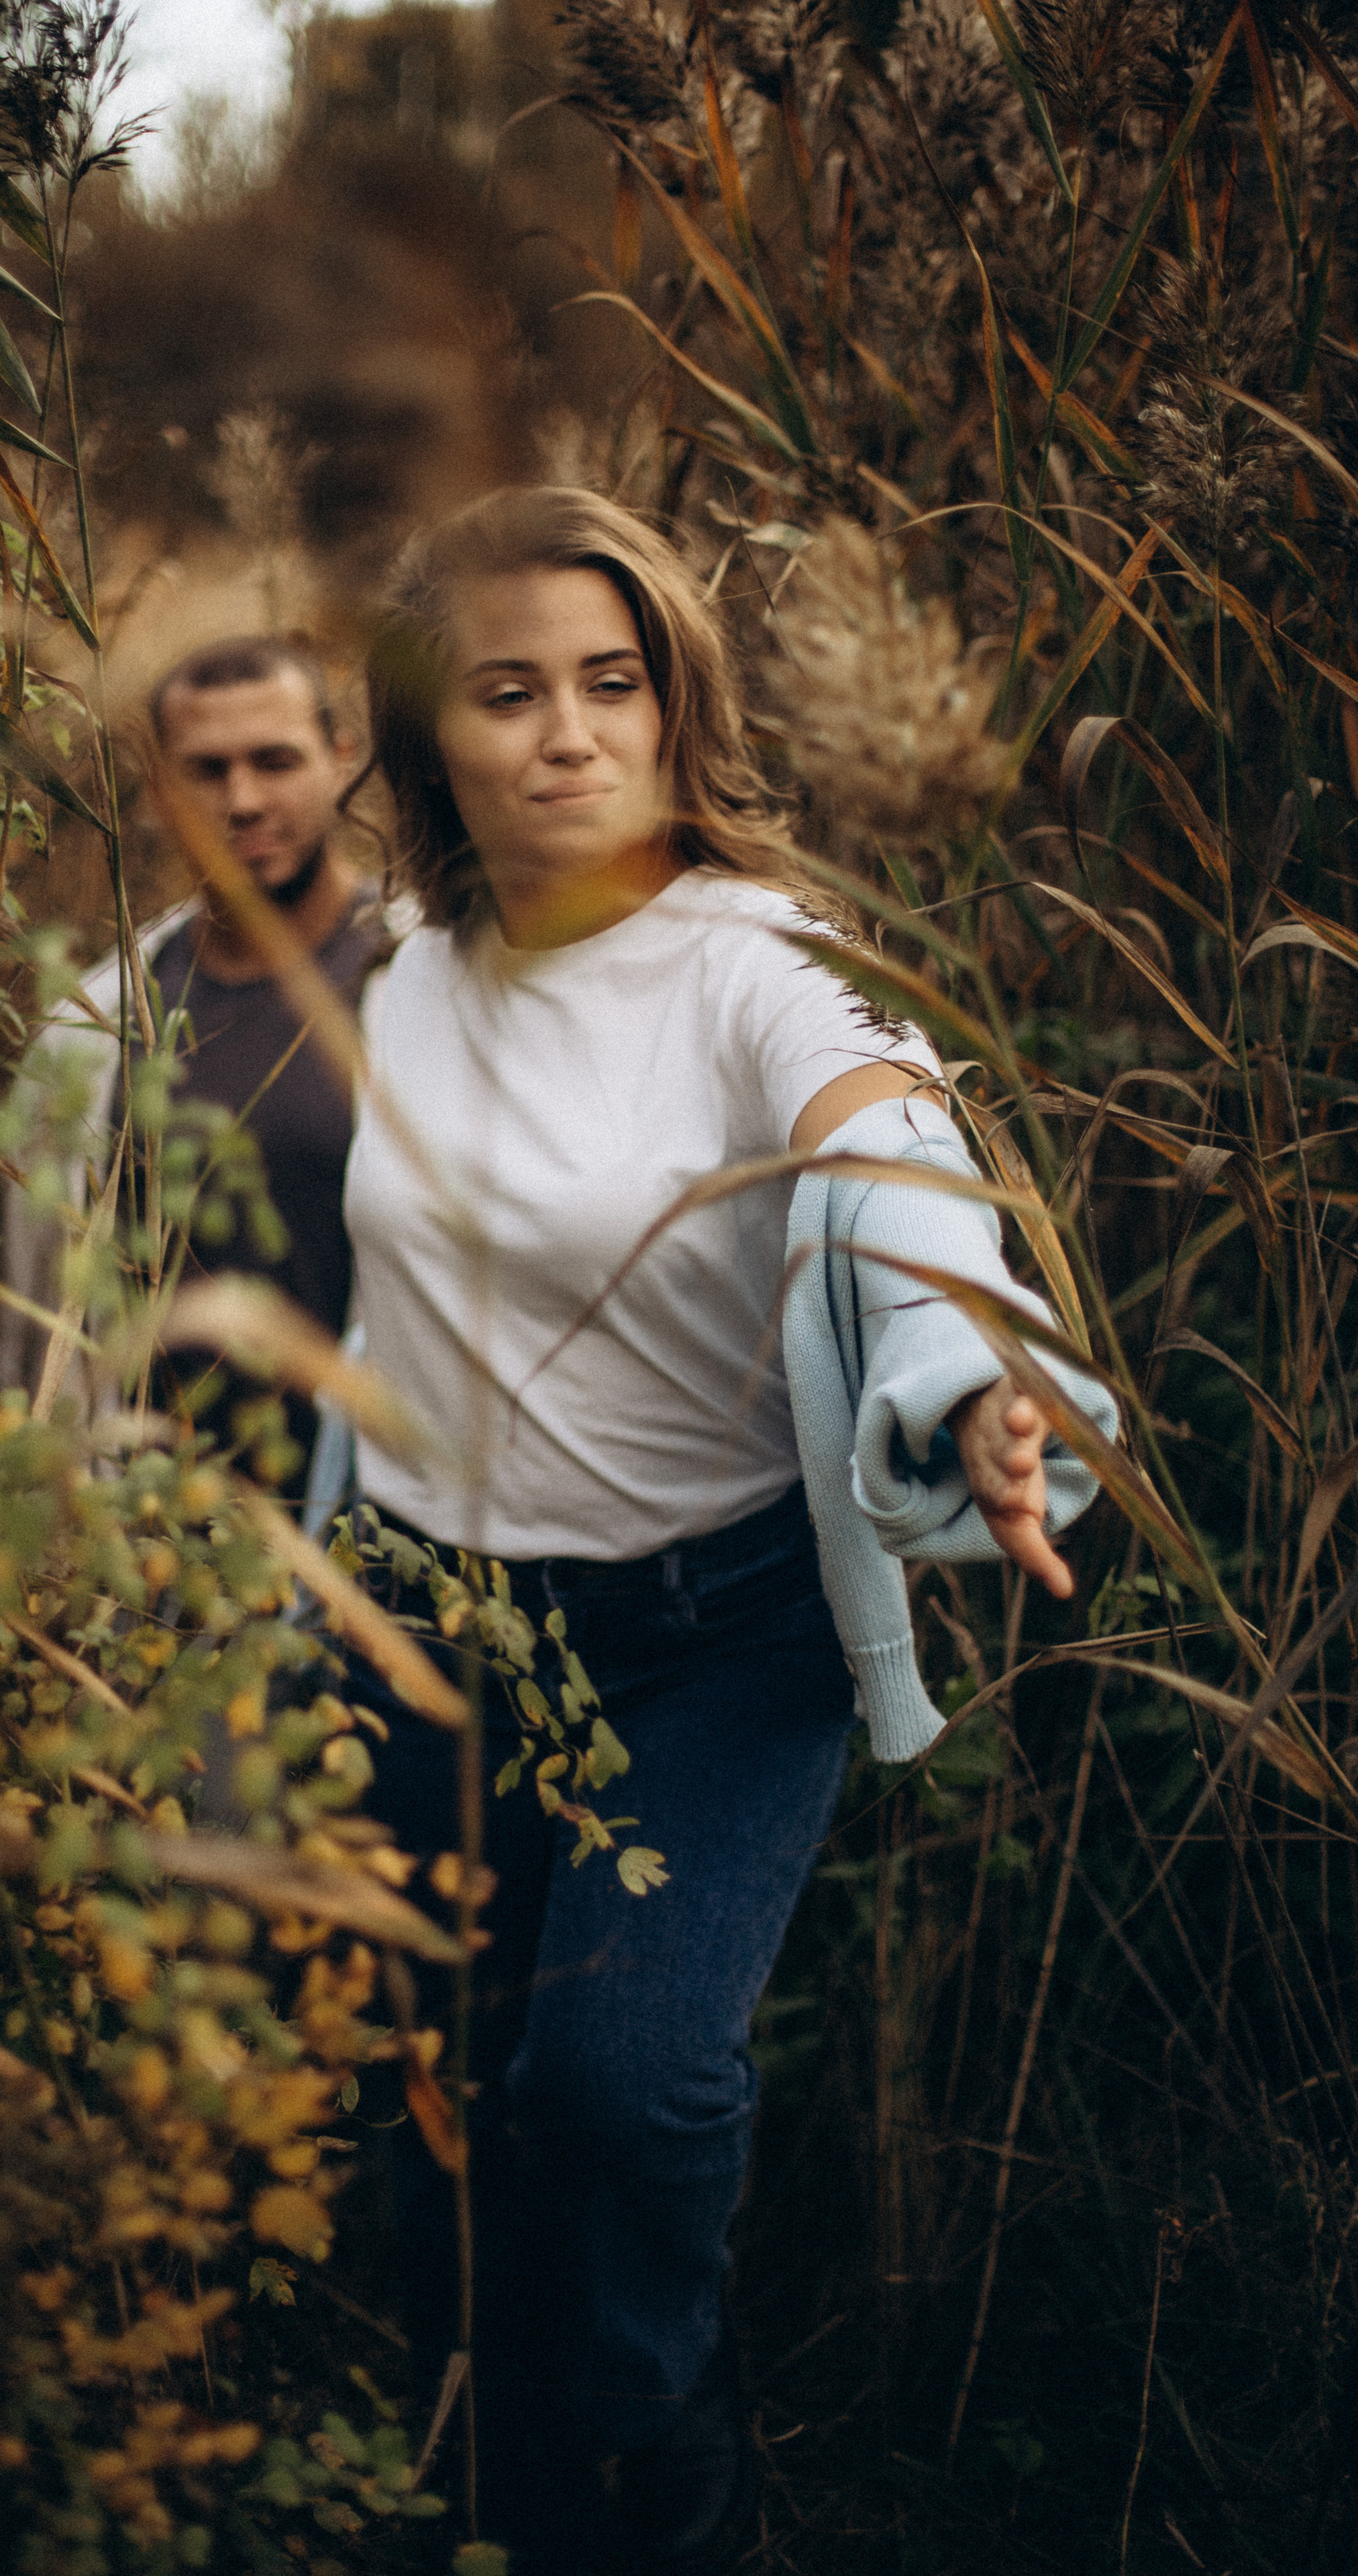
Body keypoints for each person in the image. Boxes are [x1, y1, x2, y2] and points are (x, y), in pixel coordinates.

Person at [337, 488, 1117, 2572]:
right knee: (435, 2083)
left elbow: (894, 1154)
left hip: (709, 1634)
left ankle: (658, 2442)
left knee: (621, 2077)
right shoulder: (401, 970)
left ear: (677, 706)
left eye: (613, 682)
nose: (570, 733)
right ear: (429, 737)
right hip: (426, 1623)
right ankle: (484, 2471)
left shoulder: (768, 965)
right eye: (508, 692)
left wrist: (967, 1370)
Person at [0, 636, 386, 1489]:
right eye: (207, 771)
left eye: (275, 761)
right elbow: (36, 1330)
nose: (242, 801)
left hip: (373, 1527)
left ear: (340, 760)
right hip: (155, 1536)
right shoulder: (91, 1027)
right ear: (160, 793)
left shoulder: (421, 986)